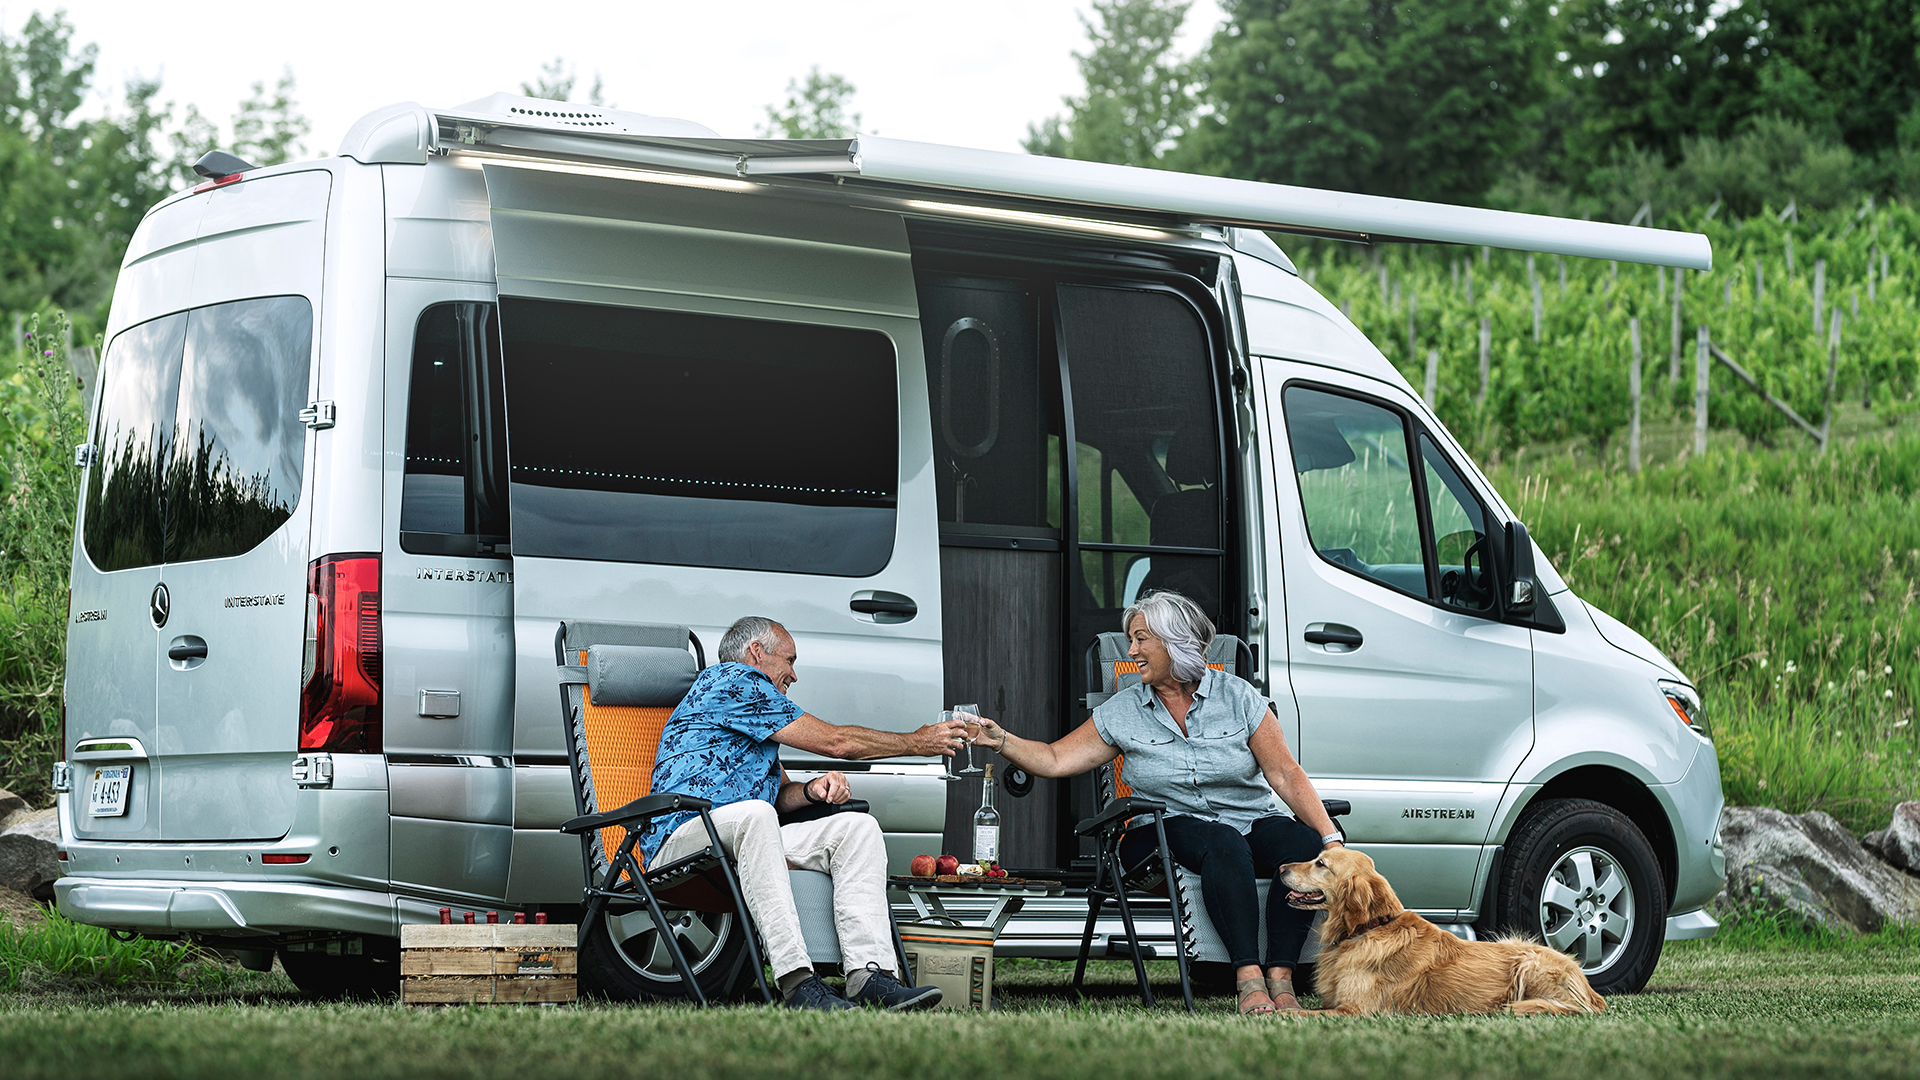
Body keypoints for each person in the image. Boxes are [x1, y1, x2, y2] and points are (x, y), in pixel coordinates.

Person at [970, 590, 1345, 1014]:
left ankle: (1281, 977)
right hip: (1158, 831)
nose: (1132, 652)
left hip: (1249, 820)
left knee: (1300, 844)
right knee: (1222, 842)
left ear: (1175, 642)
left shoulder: (1239, 698)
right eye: (1130, 641)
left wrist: (1329, 839)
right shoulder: (1123, 708)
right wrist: (998, 739)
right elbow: (1055, 759)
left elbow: (1285, 774)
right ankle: (1248, 979)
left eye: (1141, 639)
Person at [639, 615, 966, 1011]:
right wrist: (917, 742)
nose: (793, 675)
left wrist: (812, 791)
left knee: (856, 828)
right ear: (756, 653)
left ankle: (870, 976)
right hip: (681, 838)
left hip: (739, 836)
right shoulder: (732, 681)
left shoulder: (750, 715)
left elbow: (777, 795)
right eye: (789, 660)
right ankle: (798, 982)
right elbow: (836, 742)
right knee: (757, 816)